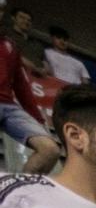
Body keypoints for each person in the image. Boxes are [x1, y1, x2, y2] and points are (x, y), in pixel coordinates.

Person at [0, 16, 58, 174]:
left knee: (50, 150)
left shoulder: (9, 45)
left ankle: (19, 195)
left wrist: (38, 118)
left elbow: (21, 85)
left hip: (9, 106)